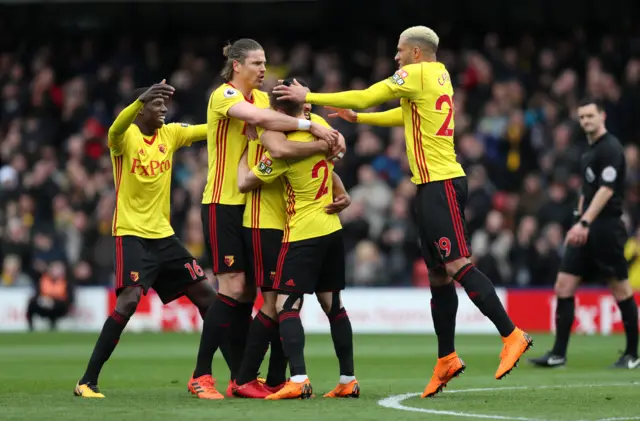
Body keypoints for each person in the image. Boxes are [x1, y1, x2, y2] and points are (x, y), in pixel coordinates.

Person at [274, 26, 533, 397]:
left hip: (440, 183)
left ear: (415, 52)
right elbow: (403, 116)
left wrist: (309, 95)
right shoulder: (439, 76)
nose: (395, 56)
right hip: (431, 186)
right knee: (438, 275)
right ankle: (446, 358)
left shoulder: (417, 72)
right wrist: (358, 120)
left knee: (457, 264)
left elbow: (366, 95)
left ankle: (512, 334)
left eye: (399, 51)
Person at [189, 39, 344, 400]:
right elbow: (262, 123)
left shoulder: (262, 99)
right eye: (257, 62)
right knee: (233, 288)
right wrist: (310, 126)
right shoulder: (224, 96)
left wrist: (330, 157)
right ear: (236, 65)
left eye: (265, 62)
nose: (263, 69)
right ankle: (201, 375)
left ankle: (247, 376)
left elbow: (279, 131)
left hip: (255, 210)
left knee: (254, 295)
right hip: (223, 202)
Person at [74, 81, 227, 398]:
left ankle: (224, 376)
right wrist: (138, 99)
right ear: (141, 107)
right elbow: (114, 128)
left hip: (165, 238)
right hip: (131, 235)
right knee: (128, 301)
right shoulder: (125, 136)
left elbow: (207, 129)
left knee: (208, 298)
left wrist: (242, 116)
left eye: (164, 105)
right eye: (157, 104)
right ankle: (87, 381)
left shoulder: (169, 134)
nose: (164, 109)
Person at [236, 85, 359, 401]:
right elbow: (340, 150)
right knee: (334, 306)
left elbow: (245, 182)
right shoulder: (328, 137)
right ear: (304, 110)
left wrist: (241, 152)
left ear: (278, 114)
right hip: (332, 228)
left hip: (303, 233)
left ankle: (299, 379)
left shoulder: (285, 149)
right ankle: (348, 379)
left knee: (285, 304)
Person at [529, 98, 639, 369]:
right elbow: (586, 192)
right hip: (586, 227)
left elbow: (606, 190)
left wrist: (586, 223)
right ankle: (558, 354)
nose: (586, 121)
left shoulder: (611, 148)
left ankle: (633, 354)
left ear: (602, 116)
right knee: (563, 286)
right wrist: (577, 221)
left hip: (606, 228)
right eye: (582, 117)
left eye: (590, 116)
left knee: (620, 289)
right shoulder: (589, 151)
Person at [26, 261, 73, 331]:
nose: (56, 272)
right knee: (32, 303)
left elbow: (70, 299)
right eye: (54, 269)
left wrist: (53, 302)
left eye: (58, 269)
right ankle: (31, 326)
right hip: (44, 304)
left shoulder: (66, 282)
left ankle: (53, 324)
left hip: (59, 307)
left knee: (59, 305)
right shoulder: (42, 280)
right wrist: (43, 300)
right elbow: (37, 294)